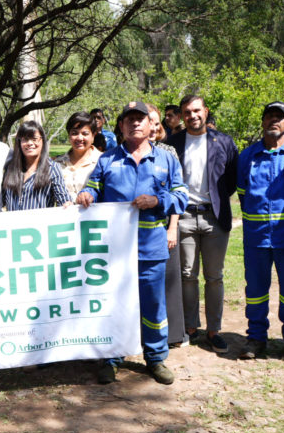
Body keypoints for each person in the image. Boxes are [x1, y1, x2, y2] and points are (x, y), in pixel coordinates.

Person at [77, 101, 188, 385]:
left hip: (151, 247)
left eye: (141, 119)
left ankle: (155, 358)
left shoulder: (166, 159)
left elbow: (181, 196)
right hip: (114, 251)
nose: (135, 123)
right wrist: (87, 194)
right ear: (122, 126)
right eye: (129, 120)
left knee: (153, 305)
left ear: (152, 125)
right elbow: (93, 186)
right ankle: (112, 358)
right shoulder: (107, 159)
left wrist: (158, 201)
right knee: (114, 303)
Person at [237, 102, 284, 360]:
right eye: (269, 117)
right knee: (255, 291)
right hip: (256, 238)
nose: (274, 121)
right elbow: (243, 194)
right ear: (263, 122)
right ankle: (256, 338)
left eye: (280, 117)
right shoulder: (248, 156)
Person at [168, 95, 238, 353]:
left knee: (215, 277)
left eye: (197, 110)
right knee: (187, 275)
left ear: (206, 112)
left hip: (214, 218)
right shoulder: (172, 143)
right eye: (187, 112)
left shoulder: (225, 142)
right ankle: (190, 327)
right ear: (182, 115)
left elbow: (230, 179)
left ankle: (214, 330)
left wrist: (216, 202)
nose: (192, 116)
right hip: (184, 216)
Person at [147, 104, 186, 347]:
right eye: (146, 120)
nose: (151, 125)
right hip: (136, 232)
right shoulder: (120, 152)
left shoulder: (168, 152)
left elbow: (177, 192)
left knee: (169, 281)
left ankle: (173, 335)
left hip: (164, 226)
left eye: (154, 121)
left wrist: (173, 227)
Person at [1, 120, 72, 211]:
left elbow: (63, 199)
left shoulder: (52, 168)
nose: (30, 143)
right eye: (25, 139)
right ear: (19, 142)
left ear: (42, 141)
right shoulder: (10, 168)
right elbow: (0, 200)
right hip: (13, 224)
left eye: (34, 139)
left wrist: (67, 204)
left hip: (39, 224)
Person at [54, 112, 102, 201]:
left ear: (93, 136)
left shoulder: (103, 161)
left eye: (85, 133)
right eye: (74, 133)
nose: (79, 138)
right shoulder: (57, 163)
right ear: (69, 135)